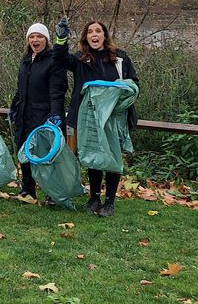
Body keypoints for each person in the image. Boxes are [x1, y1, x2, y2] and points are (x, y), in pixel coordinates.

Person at [52, 18, 138, 217]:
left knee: (113, 157)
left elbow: (133, 84)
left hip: (113, 118)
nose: (94, 35)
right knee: (93, 156)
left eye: (98, 31)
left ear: (104, 35)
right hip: (89, 117)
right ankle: (94, 197)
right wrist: (61, 39)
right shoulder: (81, 59)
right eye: (90, 32)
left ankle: (109, 202)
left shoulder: (120, 58)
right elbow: (59, 60)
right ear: (85, 37)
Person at [10, 23, 67, 202]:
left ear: (46, 40)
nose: (35, 40)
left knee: (46, 154)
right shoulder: (26, 61)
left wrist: (55, 114)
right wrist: (14, 106)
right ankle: (28, 189)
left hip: (45, 115)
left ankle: (52, 193)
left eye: (39, 36)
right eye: (32, 37)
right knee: (24, 150)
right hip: (25, 113)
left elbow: (57, 90)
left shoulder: (54, 60)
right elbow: (21, 88)